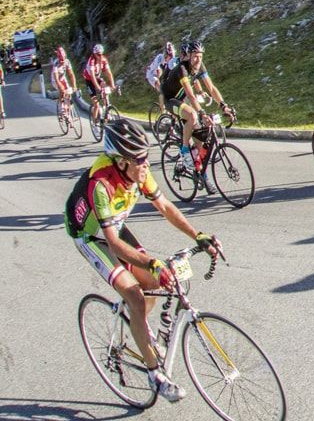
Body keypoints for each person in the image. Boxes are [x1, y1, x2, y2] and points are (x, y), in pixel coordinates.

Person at [65, 118, 222, 404]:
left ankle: (139, 327)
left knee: (153, 286)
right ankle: (154, 375)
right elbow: (113, 244)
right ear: (121, 163)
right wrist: (151, 262)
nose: (146, 166)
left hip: (114, 224)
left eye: (146, 158)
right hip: (91, 236)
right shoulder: (101, 185)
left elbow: (165, 206)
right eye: (139, 161)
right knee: (137, 298)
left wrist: (196, 234)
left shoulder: (139, 171)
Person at [162, 42, 233, 188]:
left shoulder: (200, 66)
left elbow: (211, 88)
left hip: (184, 101)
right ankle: (184, 149)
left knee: (201, 145)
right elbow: (190, 95)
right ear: (189, 56)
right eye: (195, 57)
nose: (198, 60)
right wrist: (202, 113)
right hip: (171, 100)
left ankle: (202, 175)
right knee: (193, 115)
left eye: (200, 57)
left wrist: (224, 106)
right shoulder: (182, 69)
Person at [144, 42, 178, 117]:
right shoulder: (159, 58)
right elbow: (158, 72)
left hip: (159, 74)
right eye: (170, 56)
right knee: (162, 91)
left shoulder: (172, 60)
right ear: (166, 54)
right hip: (151, 75)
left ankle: (168, 108)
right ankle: (163, 113)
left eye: (172, 56)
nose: (171, 58)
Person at [83, 44, 116, 110]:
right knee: (96, 105)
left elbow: (109, 73)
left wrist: (113, 85)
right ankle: (95, 120)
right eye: (98, 54)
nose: (100, 56)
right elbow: (92, 77)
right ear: (94, 54)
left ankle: (105, 108)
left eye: (101, 54)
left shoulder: (104, 60)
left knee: (104, 85)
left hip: (97, 78)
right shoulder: (91, 61)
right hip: (89, 81)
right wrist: (98, 88)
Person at [52, 47, 78, 125]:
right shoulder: (56, 64)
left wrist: (74, 86)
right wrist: (61, 88)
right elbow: (56, 79)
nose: (62, 62)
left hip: (63, 77)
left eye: (63, 59)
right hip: (55, 79)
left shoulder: (67, 62)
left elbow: (71, 74)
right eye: (61, 60)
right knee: (62, 90)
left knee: (69, 93)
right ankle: (61, 109)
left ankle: (69, 113)